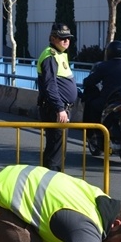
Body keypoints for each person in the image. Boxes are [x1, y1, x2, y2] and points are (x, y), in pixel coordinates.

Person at [36, 23, 77, 171]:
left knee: (57, 149)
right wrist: (60, 108)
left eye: (68, 38)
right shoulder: (50, 56)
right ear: (52, 38)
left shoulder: (60, 55)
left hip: (60, 108)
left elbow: (61, 81)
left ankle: (49, 179)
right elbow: (50, 86)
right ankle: (50, 181)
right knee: (55, 152)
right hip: (55, 109)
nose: (66, 41)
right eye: (62, 38)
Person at [81, 40, 121, 126]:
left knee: (92, 104)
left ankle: (94, 130)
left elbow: (91, 81)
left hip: (109, 99)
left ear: (109, 52)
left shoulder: (104, 66)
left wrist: (86, 82)